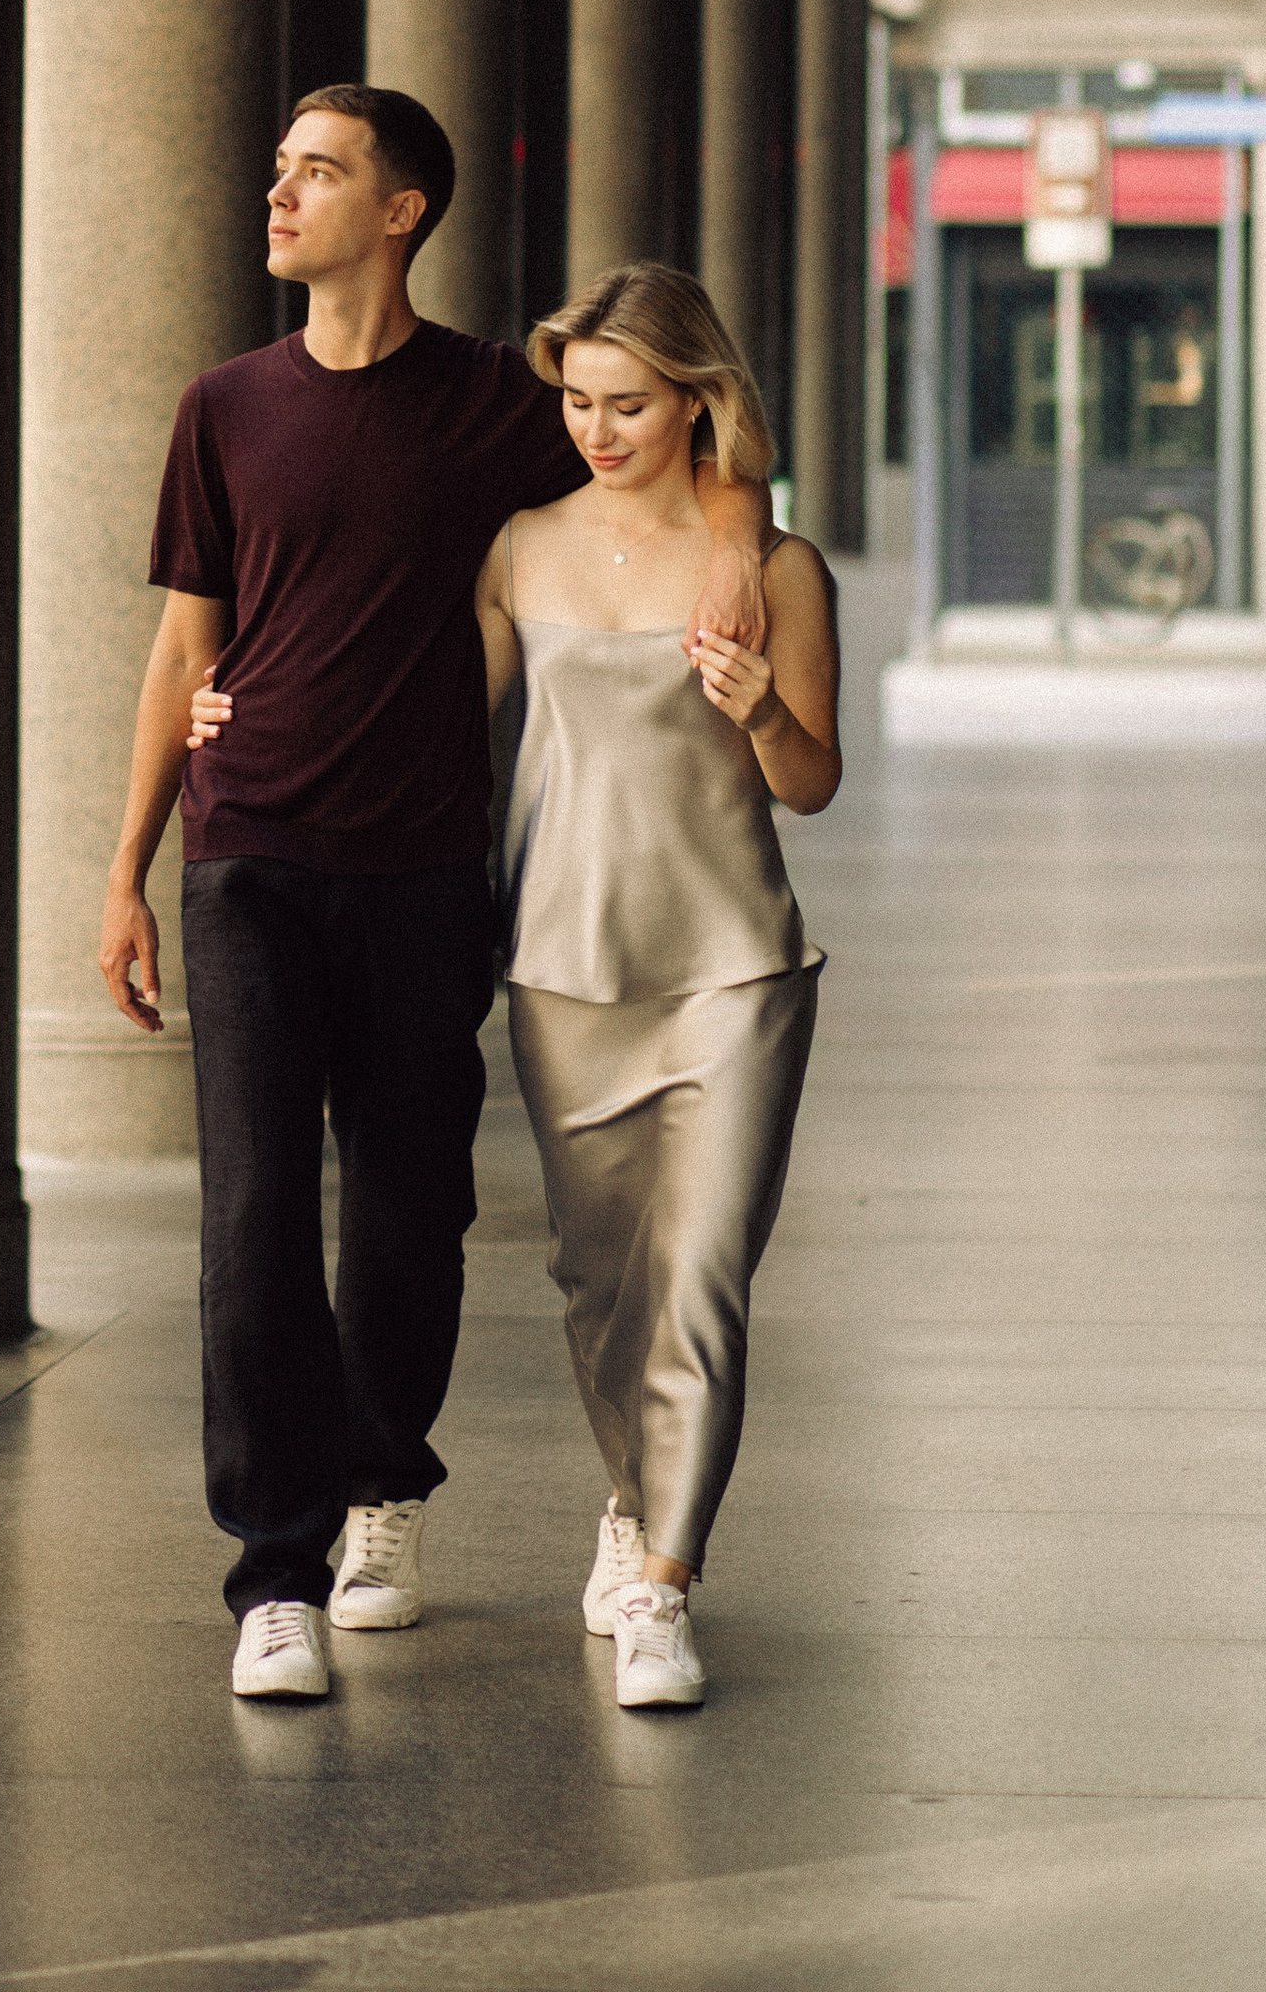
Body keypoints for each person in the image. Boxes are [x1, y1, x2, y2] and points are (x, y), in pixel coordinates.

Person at [101, 87, 773, 1705]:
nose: (279, 193)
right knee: (255, 1219)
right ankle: (274, 1576)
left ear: (401, 211)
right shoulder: (222, 407)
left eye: (318, 172)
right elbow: (186, 648)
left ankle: (381, 1492)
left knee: (411, 1211)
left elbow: (680, 436)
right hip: (248, 855)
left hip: (419, 870)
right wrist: (123, 871)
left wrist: (745, 544)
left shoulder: (494, 401)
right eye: (279, 168)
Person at [483, 263, 838, 1711]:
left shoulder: (777, 568)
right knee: (600, 1282)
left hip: (734, 967)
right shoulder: (518, 546)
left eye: (628, 403)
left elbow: (811, 784)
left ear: (698, 399)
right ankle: (632, 1503)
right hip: (564, 964)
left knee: (701, 1280)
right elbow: (435, 723)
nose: (598, 430)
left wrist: (761, 711)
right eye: (578, 402)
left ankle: (665, 1587)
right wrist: (234, 712)